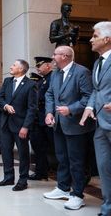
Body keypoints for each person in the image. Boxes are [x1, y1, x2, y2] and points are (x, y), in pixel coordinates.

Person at [44, 46, 94, 210]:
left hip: (76, 125)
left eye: (55, 54)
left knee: (76, 161)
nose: (52, 56)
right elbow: (50, 94)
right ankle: (63, 187)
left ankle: (78, 195)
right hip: (58, 124)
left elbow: (89, 97)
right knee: (62, 158)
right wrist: (49, 113)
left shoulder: (82, 72)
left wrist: (71, 109)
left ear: (65, 56)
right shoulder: (56, 73)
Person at [80, 21, 111, 216]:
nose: (91, 39)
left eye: (95, 35)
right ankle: (108, 207)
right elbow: (97, 90)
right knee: (104, 168)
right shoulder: (98, 61)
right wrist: (89, 107)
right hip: (100, 124)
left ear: (107, 39)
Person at [0, 59, 37, 191]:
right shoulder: (7, 81)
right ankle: (8, 177)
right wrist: (6, 106)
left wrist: (25, 127)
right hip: (6, 124)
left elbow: (32, 108)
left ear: (21, 69)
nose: (11, 67)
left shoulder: (31, 85)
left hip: (21, 125)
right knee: (6, 151)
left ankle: (22, 180)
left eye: (14, 65)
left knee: (23, 153)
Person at [29, 57, 54, 181]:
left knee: (55, 147)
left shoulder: (53, 78)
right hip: (39, 119)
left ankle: (61, 174)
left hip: (50, 118)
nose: (37, 68)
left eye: (40, 65)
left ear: (48, 66)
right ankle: (41, 172)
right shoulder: (42, 80)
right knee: (38, 146)